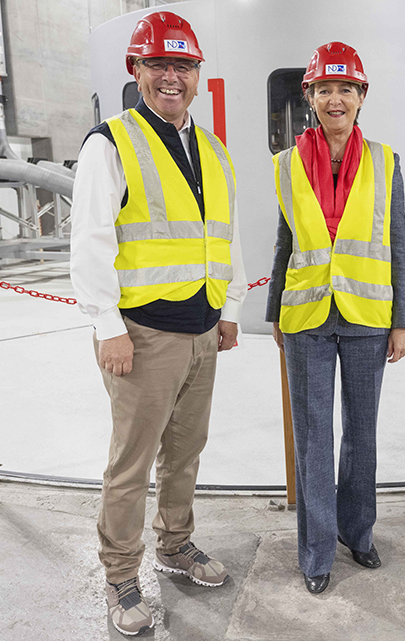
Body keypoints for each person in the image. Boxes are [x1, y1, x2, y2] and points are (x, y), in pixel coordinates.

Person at [69, 11, 245, 636]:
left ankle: (175, 544)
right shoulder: (111, 142)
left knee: (185, 451)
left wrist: (228, 311)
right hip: (142, 335)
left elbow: (224, 238)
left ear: (197, 75)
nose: (172, 77)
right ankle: (121, 574)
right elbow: (89, 242)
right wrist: (106, 324)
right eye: (158, 64)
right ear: (136, 71)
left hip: (201, 331)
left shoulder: (214, 152)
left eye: (183, 66)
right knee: (131, 463)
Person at [265, 42, 405, 594]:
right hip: (304, 314)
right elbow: (284, 243)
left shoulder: (386, 160)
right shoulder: (285, 165)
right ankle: (316, 552)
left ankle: (359, 533)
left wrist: (403, 320)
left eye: (345, 88)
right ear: (309, 96)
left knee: (362, 435)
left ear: (361, 97)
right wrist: (273, 310)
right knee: (314, 439)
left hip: (367, 316)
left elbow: (397, 242)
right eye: (324, 88)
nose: (335, 99)